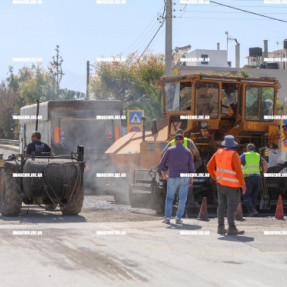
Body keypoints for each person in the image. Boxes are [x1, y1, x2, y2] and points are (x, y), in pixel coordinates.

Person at [207, 135, 246, 235]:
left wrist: (216, 177)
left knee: (221, 206)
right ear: (234, 145)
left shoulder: (218, 152)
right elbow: (238, 171)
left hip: (220, 184)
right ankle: (232, 228)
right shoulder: (234, 155)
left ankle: (220, 228)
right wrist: (243, 184)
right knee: (231, 207)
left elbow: (209, 166)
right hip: (232, 186)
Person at [160, 133, 194, 224]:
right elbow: (191, 167)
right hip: (184, 178)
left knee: (169, 198)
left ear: (175, 141)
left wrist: (164, 175)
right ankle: (178, 218)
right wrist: (191, 179)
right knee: (182, 199)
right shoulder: (187, 151)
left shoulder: (169, 150)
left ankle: (167, 218)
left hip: (172, 177)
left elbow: (161, 163)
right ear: (182, 141)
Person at [240, 143, 268, 217]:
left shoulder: (244, 155)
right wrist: (263, 173)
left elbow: (236, 163)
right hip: (257, 178)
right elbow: (266, 164)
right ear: (254, 149)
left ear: (247, 149)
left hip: (248, 178)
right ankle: (253, 210)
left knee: (246, 195)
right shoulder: (258, 155)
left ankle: (252, 211)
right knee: (254, 195)